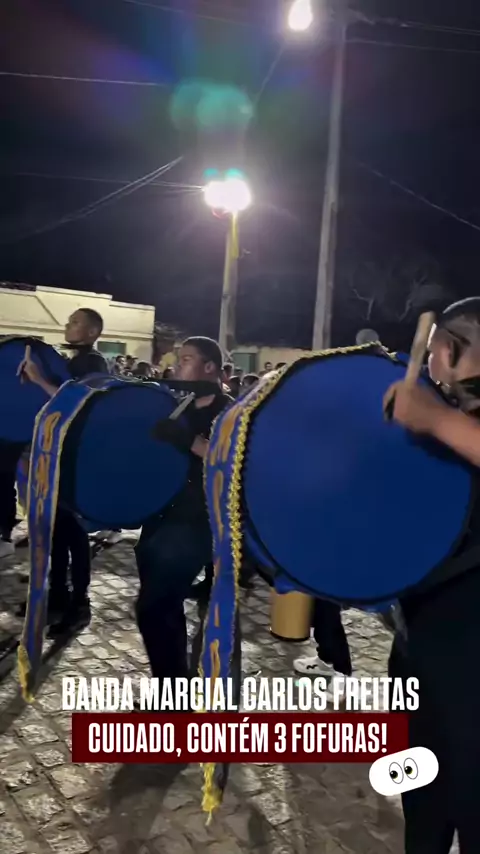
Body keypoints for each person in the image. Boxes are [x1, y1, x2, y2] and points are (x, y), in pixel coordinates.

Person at [385, 298, 480, 854]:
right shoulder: (446, 421)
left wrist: (437, 419)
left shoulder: (450, 421)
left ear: (445, 349)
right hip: (422, 641)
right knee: (424, 798)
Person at [135, 336, 232, 694]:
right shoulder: (179, 406)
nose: (177, 365)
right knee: (163, 609)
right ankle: (170, 687)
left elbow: (232, 461)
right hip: (160, 515)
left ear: (209, 367)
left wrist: (188, 440)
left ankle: (173, 698)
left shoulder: (230, 412)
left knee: (154, 607)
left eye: (187, 359)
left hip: (195, 522)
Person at [17, 308, 108, 635]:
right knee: (55, 531)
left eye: (75, 322)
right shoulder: (72, 360)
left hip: (75, 459)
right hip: (55, 454)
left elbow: (78, 405)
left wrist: (40, 379)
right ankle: (57, 596)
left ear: (92, 332)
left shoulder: (93, 363)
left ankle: (79, 604)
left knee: (73, 533)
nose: (68, 325)